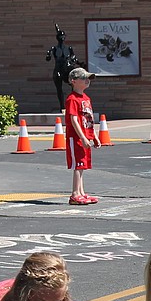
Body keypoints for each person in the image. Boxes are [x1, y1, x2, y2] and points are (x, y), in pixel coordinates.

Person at [65, 67, 101, 205]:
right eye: (84, 78)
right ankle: (75, 194)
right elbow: (74, 120)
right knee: (78, 164)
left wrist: (94, 136)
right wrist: (82, 137)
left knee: (83, 164)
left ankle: (81, 192)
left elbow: (89, 119)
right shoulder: (72, 99)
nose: (87, 80)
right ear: (73, 81)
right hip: (76, 137)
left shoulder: (86, 98)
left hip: (86, 135)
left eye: (88, 78)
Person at [47, 25, 79, 112]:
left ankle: (73, 103)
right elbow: (48, 58)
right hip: (58, 68)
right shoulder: (54, 48)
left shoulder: (69, 48)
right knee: (59, 87)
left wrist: (75, 60)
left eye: (63, 36)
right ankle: (62, 107)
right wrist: (48, 54)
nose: (62, 38)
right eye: (60, 36)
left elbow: (74, 58)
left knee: (74, 83)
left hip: (66, 68)